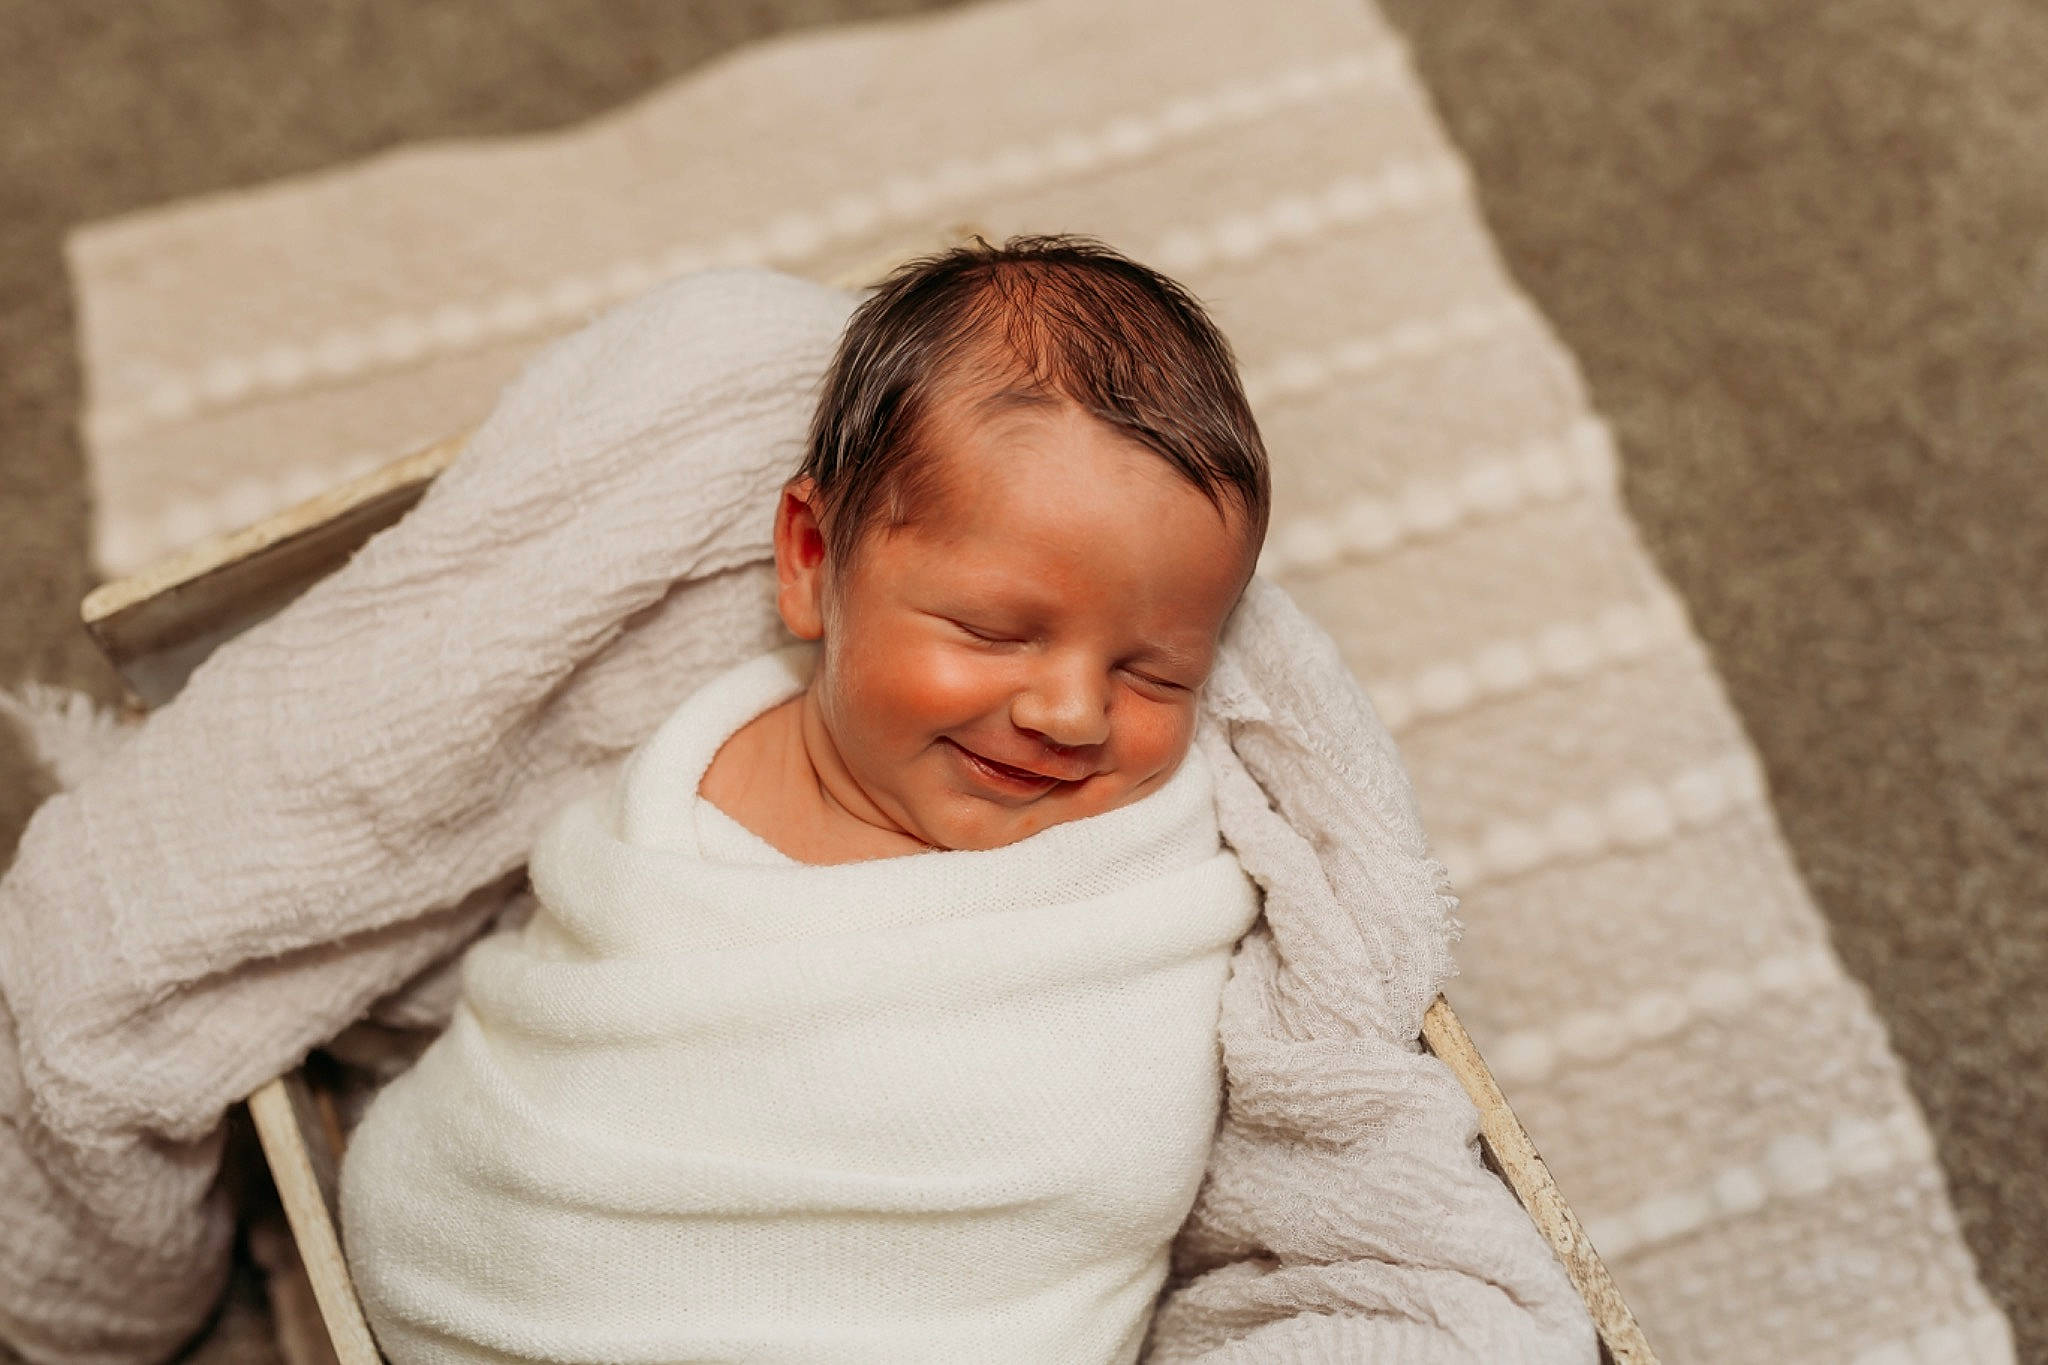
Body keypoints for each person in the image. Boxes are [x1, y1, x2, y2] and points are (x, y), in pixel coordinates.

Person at [338, 234, 1277, 1364]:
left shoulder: (1143, 865)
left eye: (1153, 672)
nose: (1073, 715)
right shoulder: (688, 790)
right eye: (990, 631)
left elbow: (1096, 1148)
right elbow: (557, 1065)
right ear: (809, 557)